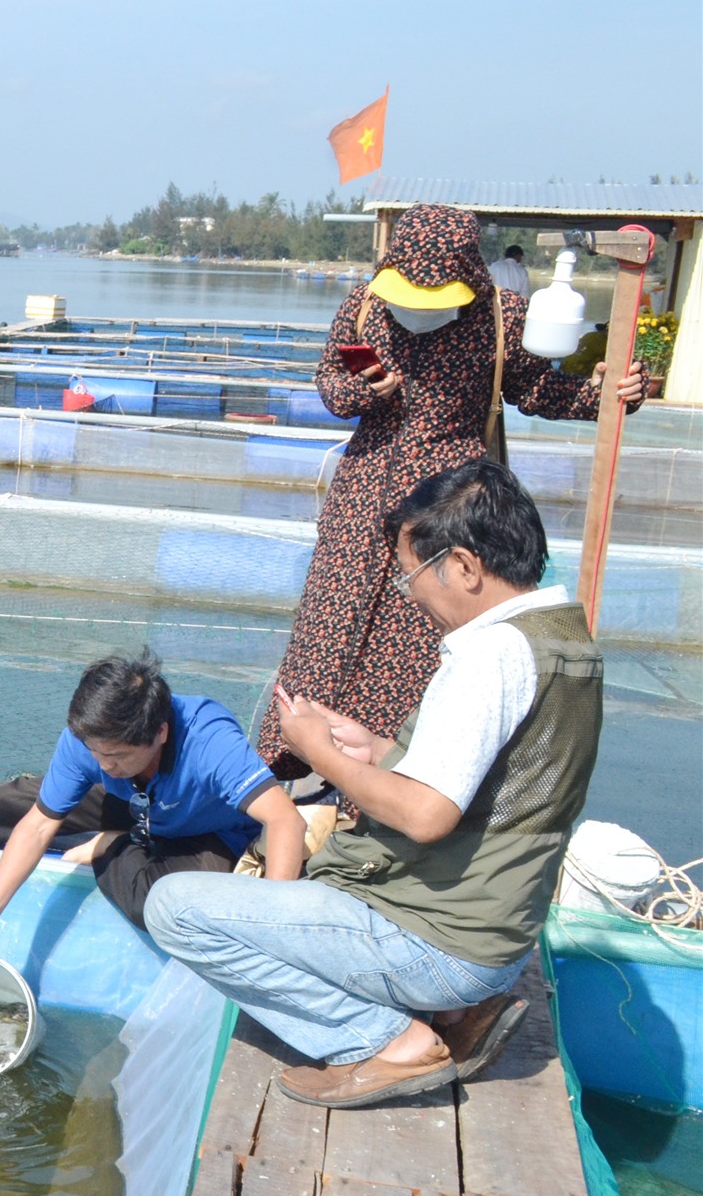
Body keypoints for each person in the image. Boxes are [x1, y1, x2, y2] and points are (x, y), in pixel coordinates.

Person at [145, 461, 601, 1108]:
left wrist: (316, 754)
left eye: (413, 573)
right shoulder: (565, 639)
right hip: (494, 942)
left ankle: (388, 1041)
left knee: (175, 908)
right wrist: (375, 749)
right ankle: (452, 1017)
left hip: (441, 948)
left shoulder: (488, 656)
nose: (410, 594)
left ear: (466, 568)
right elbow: (496, 786)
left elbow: (426, 816)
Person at [252, 204, 642, 783]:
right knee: (330, 626)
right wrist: (364, 391)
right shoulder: (366, 305)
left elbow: (537, 390)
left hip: (451, 501)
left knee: (422, 636)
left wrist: (608, 393)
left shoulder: (502, 316)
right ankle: (297, 760)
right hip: (366, 492)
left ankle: (399, 776)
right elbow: (330, 385)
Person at [0, 652, 306, 936]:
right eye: (94, 751)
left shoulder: (209, 740)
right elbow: (38, 825)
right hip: (135, 805)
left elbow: (287, 821)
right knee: (16, 801)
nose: (103, 764)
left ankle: (113, 844)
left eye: (117, 754)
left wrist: (274, 928)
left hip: (208, 831)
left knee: (157, 905)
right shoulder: (91, 741)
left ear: (159, 733)